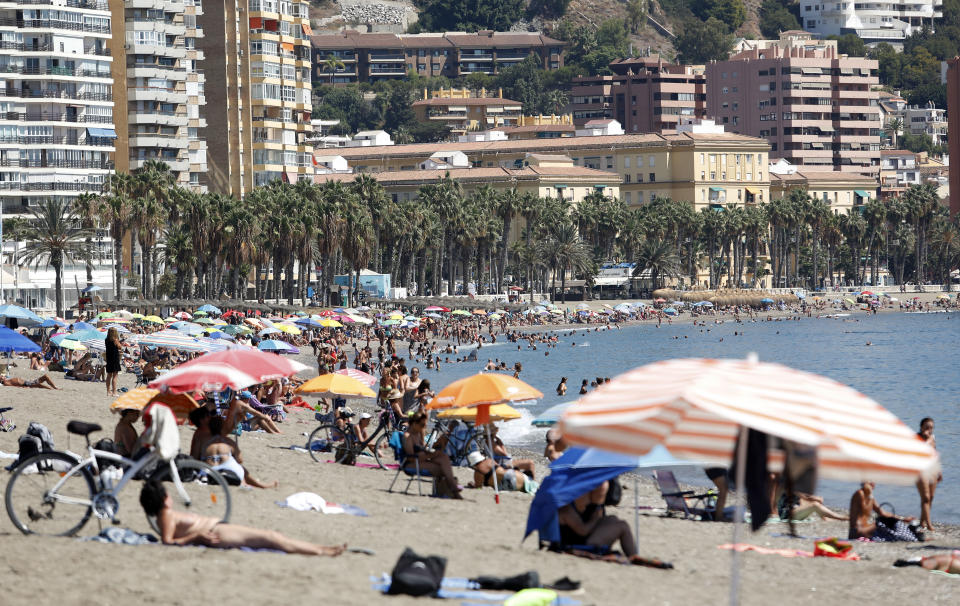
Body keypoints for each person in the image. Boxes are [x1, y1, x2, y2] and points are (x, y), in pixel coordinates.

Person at [139, 480, 343, 555]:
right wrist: (197, 537)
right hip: (217, 534)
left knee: (273, 537)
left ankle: (321, 549)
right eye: (166, 493)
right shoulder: (165, 515)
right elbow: (167, 542)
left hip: (218, 530)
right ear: (163, 499)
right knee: (272, 538)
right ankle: (322, 551)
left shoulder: (165, 515)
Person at [558, 482, 645, 562]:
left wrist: (597, 514)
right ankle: (633, 556)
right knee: (623, 526)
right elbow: (583, 531)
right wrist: (596, 517)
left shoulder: (575, 503)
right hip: (579, 543)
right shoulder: (567, 509)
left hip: (583, 537)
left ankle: (633, 555)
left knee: (613, 519)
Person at [204, 416, 278, 489]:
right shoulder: (228, 441)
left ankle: (247, 484)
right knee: (241, 468)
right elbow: (240, 460)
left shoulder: (204, 441)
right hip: (228, 472)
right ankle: (255, 485)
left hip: (209, 473)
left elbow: (195, 456)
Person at [403, 412, 461, 499]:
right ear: (414, 424)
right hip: (412, 464)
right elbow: (411, 458)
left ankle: (452, 489)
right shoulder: (408, 437)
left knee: (443, 457)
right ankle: (453, 489)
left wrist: (423, 436)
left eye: (425, 425)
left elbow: (424, 448)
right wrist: (429, 455)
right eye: (422, 425)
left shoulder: (417, 434)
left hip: (421, 460)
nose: (424, 428)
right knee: (442, 468)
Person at [849, 481, 921, 541]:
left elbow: (882, 512)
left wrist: (903, 519)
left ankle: (911, 536)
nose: (874, 484)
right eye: (872, 482)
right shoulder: (859, 493)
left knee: (890, 522)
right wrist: (869, 493)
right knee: (882, 522)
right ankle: (911, 537)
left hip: (865, 529)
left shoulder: (870, 497)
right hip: (857, 531)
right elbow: (865, 509)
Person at [466, 451, 537, 493]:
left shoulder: (478, 472)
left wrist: (473, 485)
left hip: (505, 483)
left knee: (523, 489)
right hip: (512, 473)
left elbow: (478, 488)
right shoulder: (489, 461)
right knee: (531, 485)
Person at [916, 417, 941, 532]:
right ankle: (929, 525)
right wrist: (926, 438)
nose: (929, 430)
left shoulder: (933, 438)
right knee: (925, 497)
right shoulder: (917, 438)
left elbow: (935, 454)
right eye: (927, 427)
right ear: (921, 427)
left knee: (930, 497)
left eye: (931, 428)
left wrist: (939, 470)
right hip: (920, 471)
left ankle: (922, 521)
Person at [777, 491, 848, 522]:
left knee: (815, 502)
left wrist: (816, 499)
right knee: (815, 504)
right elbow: (806, 497)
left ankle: (824, 518)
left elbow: (801, 500)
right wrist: (816, 498)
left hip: (793, 511)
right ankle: (841, 518)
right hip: (786, 514)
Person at [104, 327, 122, 396]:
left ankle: (108, 391)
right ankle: (114, 392)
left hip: (109, 358)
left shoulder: (106, 340)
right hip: (114, 359)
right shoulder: (115, 340)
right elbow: (120, 347)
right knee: (115, 376)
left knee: (109, 375)